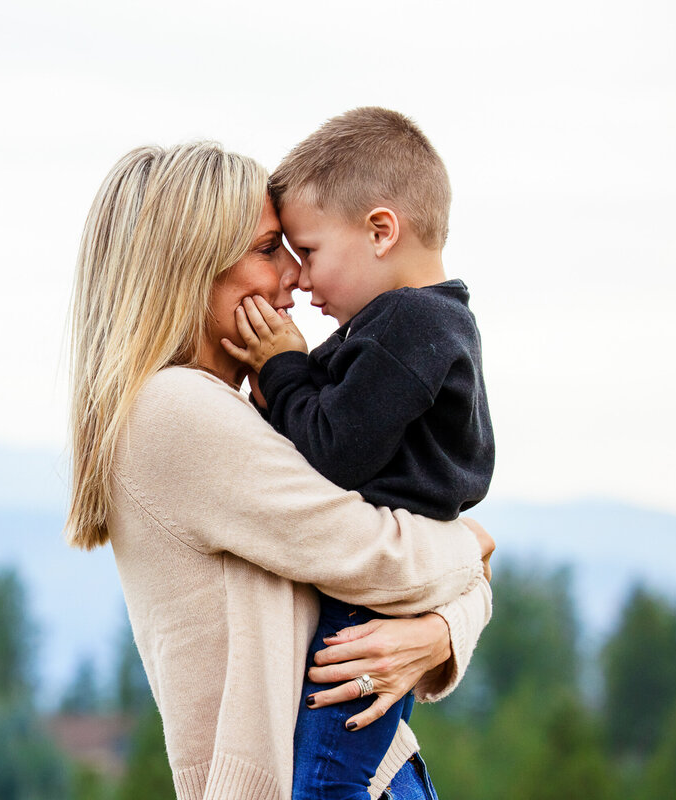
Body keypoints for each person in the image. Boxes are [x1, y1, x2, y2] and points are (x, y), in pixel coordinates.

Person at [65, 141, 493, 800]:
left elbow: (381, 570)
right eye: (269, 250)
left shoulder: (235, 413)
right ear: (190, 266)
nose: (294, 277)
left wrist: (440, 631)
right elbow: (378, 555)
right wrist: (471, 553)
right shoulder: (175, 412)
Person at [219, 108, 495, 800]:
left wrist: (282, 368)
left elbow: (332, 452)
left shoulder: (407, 326)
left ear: (381, 231)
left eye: (307, 252)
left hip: (367, 606)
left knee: (326, 779)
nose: (300, 282)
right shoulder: (423, 324)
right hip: (392, 584)